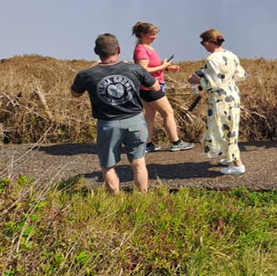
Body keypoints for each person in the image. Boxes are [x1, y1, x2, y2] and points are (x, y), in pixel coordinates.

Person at [71, 33, 160, 194]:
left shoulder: (86, 74)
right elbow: (156, 87)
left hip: (108, 124)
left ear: (96, 51)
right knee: (139, 162)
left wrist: (92, 67)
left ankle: (115, 199)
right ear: (118, 50)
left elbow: (75, 93)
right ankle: (142, 197)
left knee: (108, 165)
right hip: (135, 120)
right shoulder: (134, 69)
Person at [188, 29, 248, 174]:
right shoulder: (230, 54)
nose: (203, 45)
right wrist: (227, 78)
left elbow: (213, 83)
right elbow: (242, 74)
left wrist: (197, 81)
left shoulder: (212, 59)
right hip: (233, 95)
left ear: (209, 42)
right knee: (231, 128)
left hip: (220, 99)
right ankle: (229, 158)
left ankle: (237, 164)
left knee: (223, 129)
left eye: (203, 42)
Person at [131, 22, 194, 153]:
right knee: (168, 113)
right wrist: (163, 66)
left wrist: (167, 68)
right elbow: (143, 70)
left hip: (148, 87)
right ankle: (176, 142)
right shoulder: (141, 49)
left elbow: (152, 66)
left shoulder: (147, 47)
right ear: (143, 34)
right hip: (151, 88)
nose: (155, 37)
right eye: (152, 34)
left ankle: (146, 144)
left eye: (155, 34)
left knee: (150, 115)